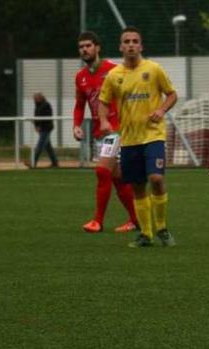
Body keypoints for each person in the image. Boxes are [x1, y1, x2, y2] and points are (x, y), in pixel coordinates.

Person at [99, 26, 178, 248]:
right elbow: (103, 102)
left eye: (135, 41)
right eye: (127, 41)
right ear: (121, 47)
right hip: (129, 139)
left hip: (153, 136)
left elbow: (172, 94)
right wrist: (104, 121)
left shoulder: (153, 69)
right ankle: (145, 234)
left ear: (141, 46)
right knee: (137, 186)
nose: (131, 45)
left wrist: (161, 110)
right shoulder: (114, 76)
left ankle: (162, 228)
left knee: (156, 179)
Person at [73, 31, 139, 234]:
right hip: (99, 132)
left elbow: (131, 94)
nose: (85, 49)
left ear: (97, 47)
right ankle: (137, 220)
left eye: (88, 45)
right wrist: (76, 124)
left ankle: (97, 221)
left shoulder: (113, 70)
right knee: (118, 178)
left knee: (102, 171)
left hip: (117, 129)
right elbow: (79, 104)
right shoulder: (80, 77)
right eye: (81, 46)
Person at [32, 93, 59, 168]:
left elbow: (46, 117)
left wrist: (39, 125)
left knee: (40, 145)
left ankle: (33, 162)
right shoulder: (37, 105)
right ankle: (55, 162)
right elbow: (36, 116)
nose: (35, 100)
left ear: (40, 98)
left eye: (36, 98)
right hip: (42, 128)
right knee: (48, 147)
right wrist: (36, 125)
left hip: (46, 128)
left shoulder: (46, 105)